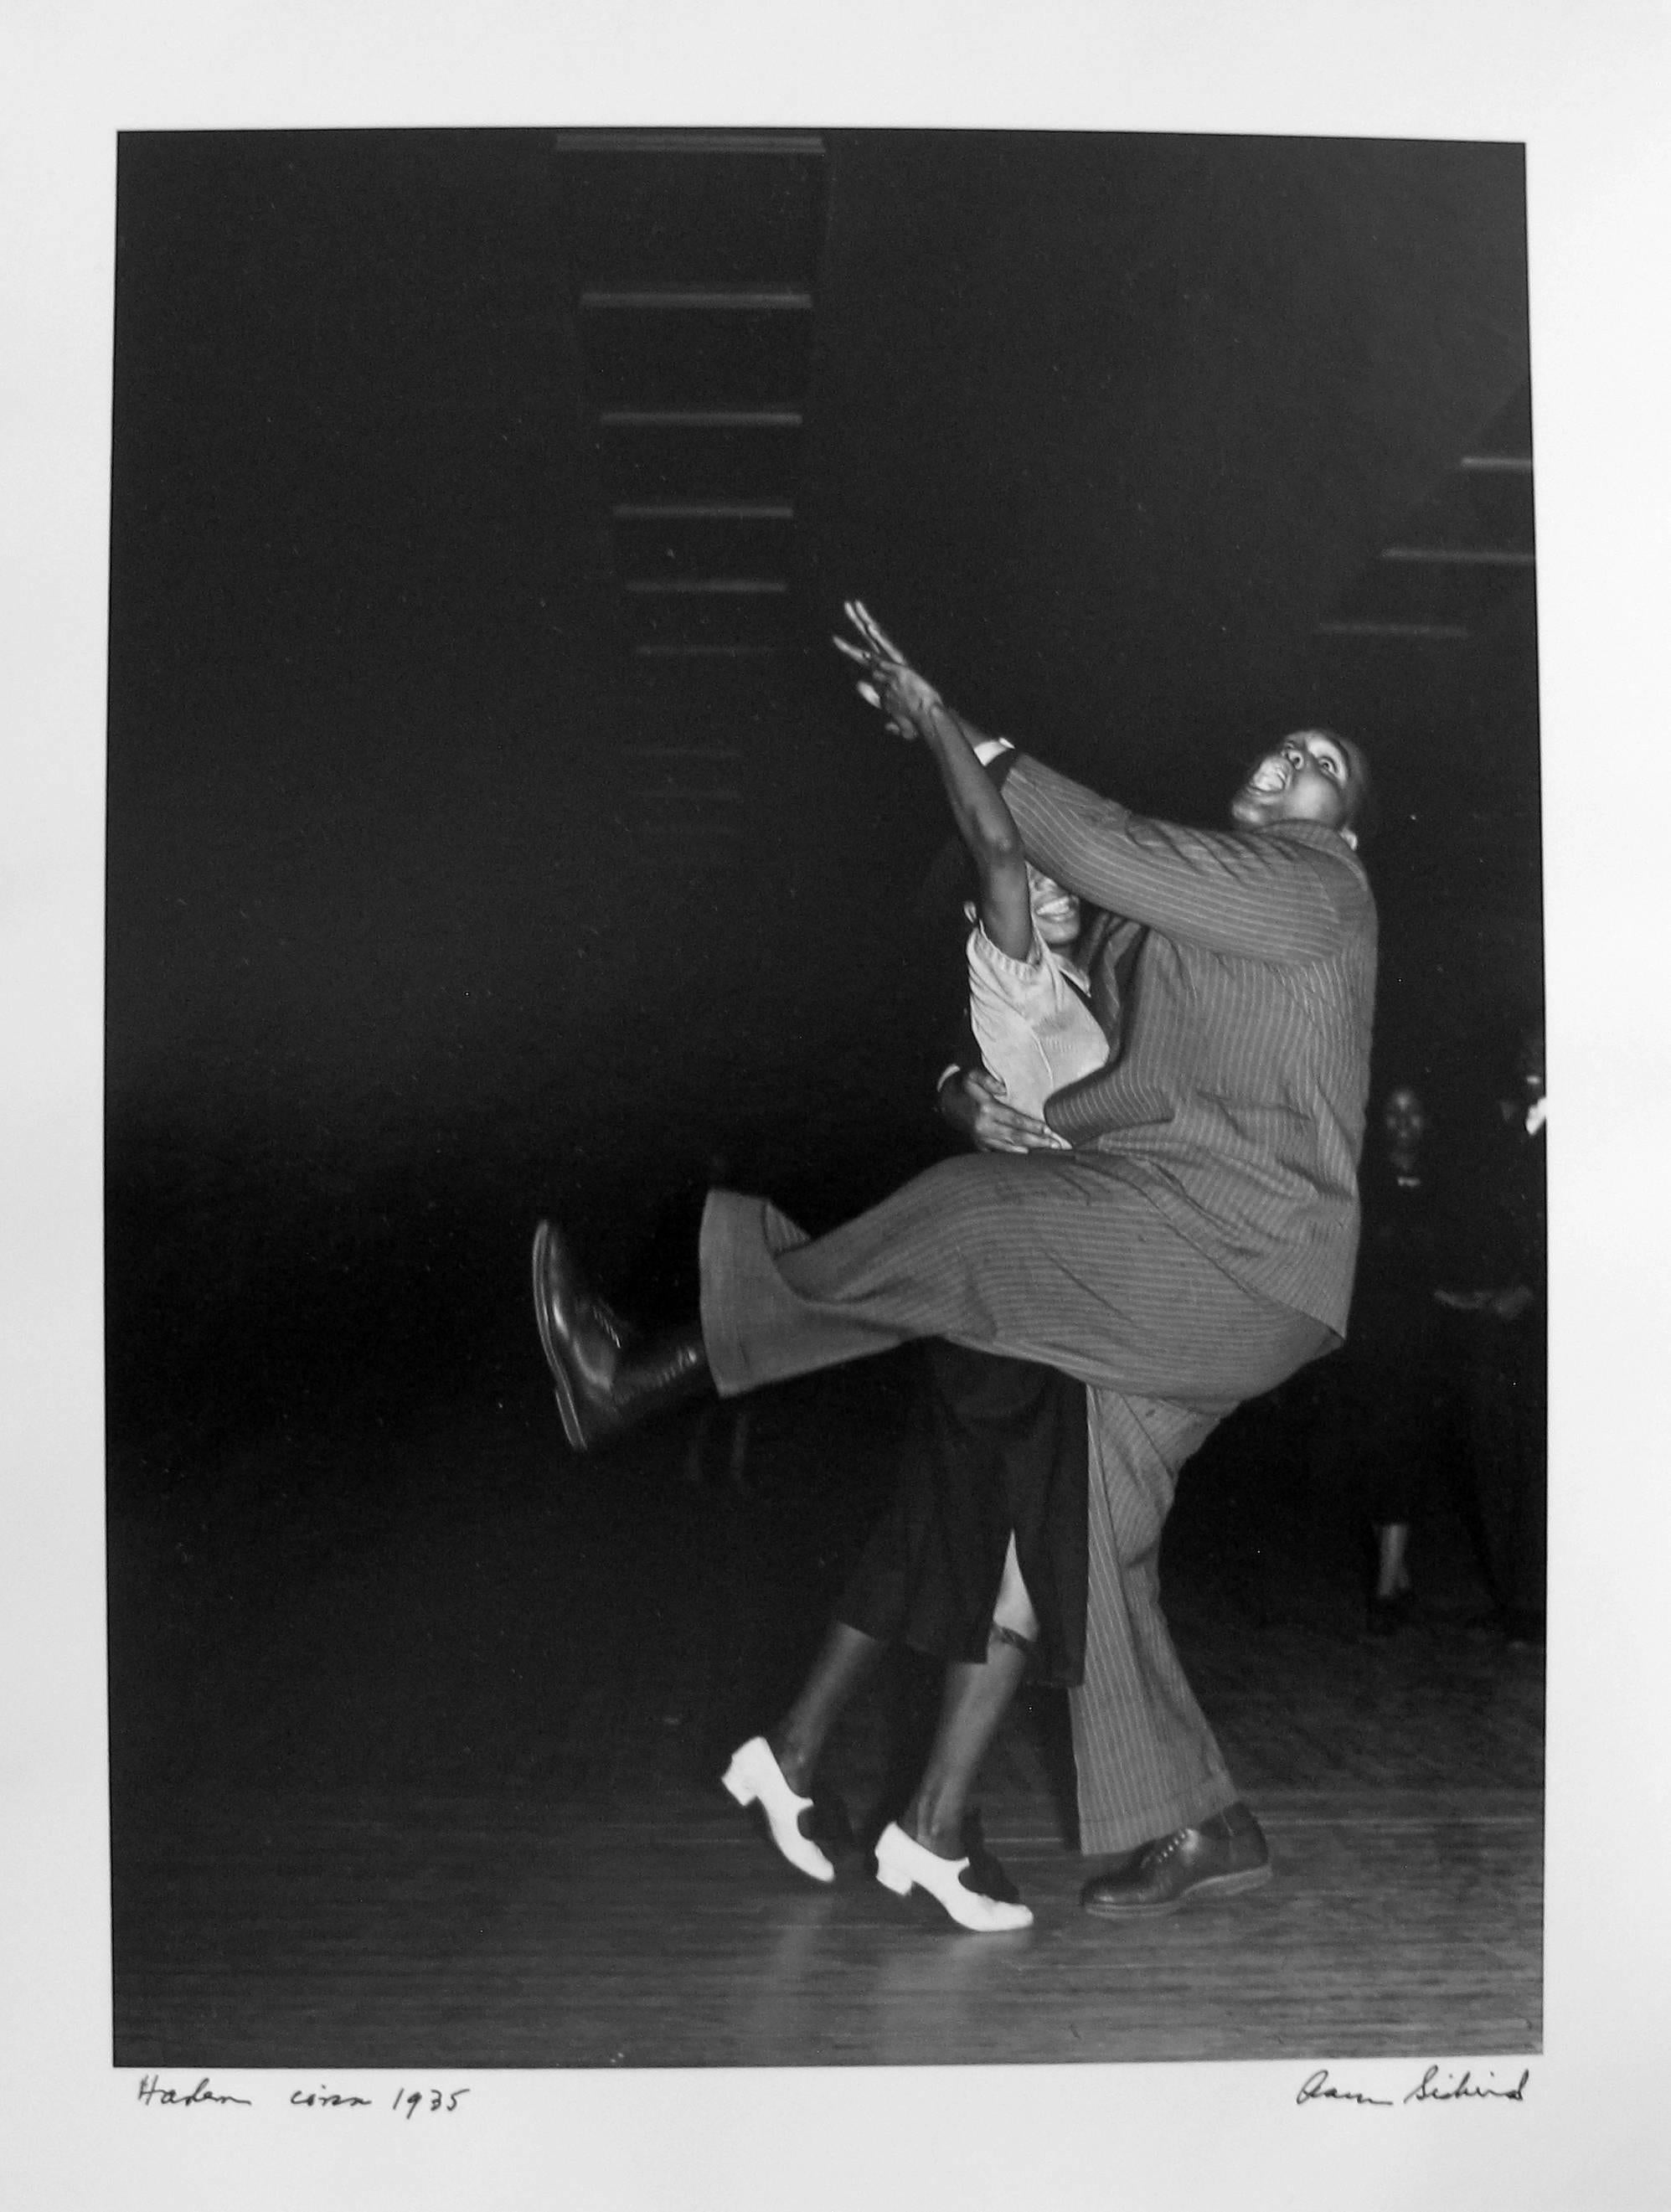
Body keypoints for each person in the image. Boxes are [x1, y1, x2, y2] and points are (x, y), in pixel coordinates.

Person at [533, 602, 1378, 1926]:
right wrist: (951, 1078)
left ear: (1343, 818)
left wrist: (944, 715)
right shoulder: (1180, 936)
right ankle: (1198, 1820)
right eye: (1279, 746)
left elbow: (1090, 841)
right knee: (1086, 1546)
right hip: (1184, 1273)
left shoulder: (1309, 888)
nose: (1285, 757)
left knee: (974, 1217)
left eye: (1316, 758)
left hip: (1231, 1254)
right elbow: (1052, 947)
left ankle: (649, 1371)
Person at [719, 670, 1116, 1935]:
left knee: (935, 1554)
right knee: (1015, 1577)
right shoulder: (1010, 973)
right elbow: (997, 843)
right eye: (1034, 881)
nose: (1049, 890)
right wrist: (941, 723)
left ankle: (808, 1764)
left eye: (1067, 884)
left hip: (1025, 1310)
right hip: (1016, 1309)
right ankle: (925, 1824)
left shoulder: (1084, 998)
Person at [1311, 1082, 1459, 1634]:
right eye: (1393, 1113)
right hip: (1365, 1339)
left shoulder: (1444, 1184)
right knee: (1365, 1456)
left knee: (1402, 1455)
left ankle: (1384, 1594)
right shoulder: (1359, 1180)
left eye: (1412, 1111)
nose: (1402, 1122)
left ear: (1426, 1121)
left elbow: (1452, 1258)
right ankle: (1394, 1572)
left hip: (1419, 1342)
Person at [1436, 1021, 1546, 1646]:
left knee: (1534, 1462)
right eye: (1525, 1049)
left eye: (1543, 1050)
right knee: (1489, 1455)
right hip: (1490, 1320)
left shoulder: (1579, 1132)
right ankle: (1511, 1596)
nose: (1531, 1059)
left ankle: (1532, 1604)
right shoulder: (1503, 1131)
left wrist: (1529, 1289)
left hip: (1541, 1327)